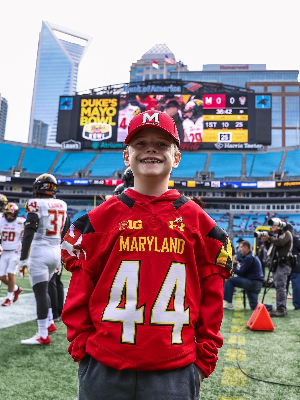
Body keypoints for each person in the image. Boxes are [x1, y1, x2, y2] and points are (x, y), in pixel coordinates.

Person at [61, 110, 232, 400]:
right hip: (105, 364)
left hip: (175, 367)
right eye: (140, 144)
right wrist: (82, 347)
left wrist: (202, 362)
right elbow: (79, 288)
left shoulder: (199, 223)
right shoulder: (99, 220)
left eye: (162, 144)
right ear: (126, 156)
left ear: (176, 157)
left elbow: (212, 295)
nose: (151, 149)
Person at [18, 174, 68, 345]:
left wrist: (23, 257)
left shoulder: (35, 204)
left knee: (40, 293)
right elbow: (65, 228)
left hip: (40, 251)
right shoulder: (62, 204)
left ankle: (42, 334)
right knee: (46, 289)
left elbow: (29, 231)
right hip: (56, 250)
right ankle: (50, 322)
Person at [262, 220, 293, 317]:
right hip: (277, 264)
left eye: (274, 225)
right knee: (279, 286)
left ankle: (281, 310)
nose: (272, 227)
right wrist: (267, 241)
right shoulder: (275, 236)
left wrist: (269, 238)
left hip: (284, 264)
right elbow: (270, 248)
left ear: (280, 225)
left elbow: (280, 242)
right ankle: (280, 308)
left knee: (280, 286)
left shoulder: (287, 234)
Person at [223, 240, 264, 310]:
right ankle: (271, 307)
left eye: (241, 247)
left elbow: (241, 272)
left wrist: (230, 269)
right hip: (257, 283)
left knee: (230, 281)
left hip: (252, 282)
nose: (240, 249)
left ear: (246, 248)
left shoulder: (249, 257)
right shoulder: (252, 256)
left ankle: (228, 303)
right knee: (254, 306)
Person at [0, 203, 25, 306]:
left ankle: (8, 298)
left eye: (12, 214)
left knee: (11, 274)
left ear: (16, 214)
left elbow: (27, 237)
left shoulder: (21, 222)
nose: (10, 216)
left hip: (15, 252)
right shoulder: (1, 221)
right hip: (4, 251)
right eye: (8, 214)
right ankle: (16, 289)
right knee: (1, 276)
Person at [48, 213, 70, 322]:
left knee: (51, 282)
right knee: (57, 282)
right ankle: (60, 312)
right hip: (61, 249)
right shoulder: (64, 212)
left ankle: (54, 313)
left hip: (51, 249)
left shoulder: (48, 209)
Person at [286, 224, 300, 310]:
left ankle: (282, 305)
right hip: (295, 265)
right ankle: (297, 305)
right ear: (292, 229)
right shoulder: (295, 238)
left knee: (283, 287)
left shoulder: (282, 239)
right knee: (296, 286)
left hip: (284, 264)